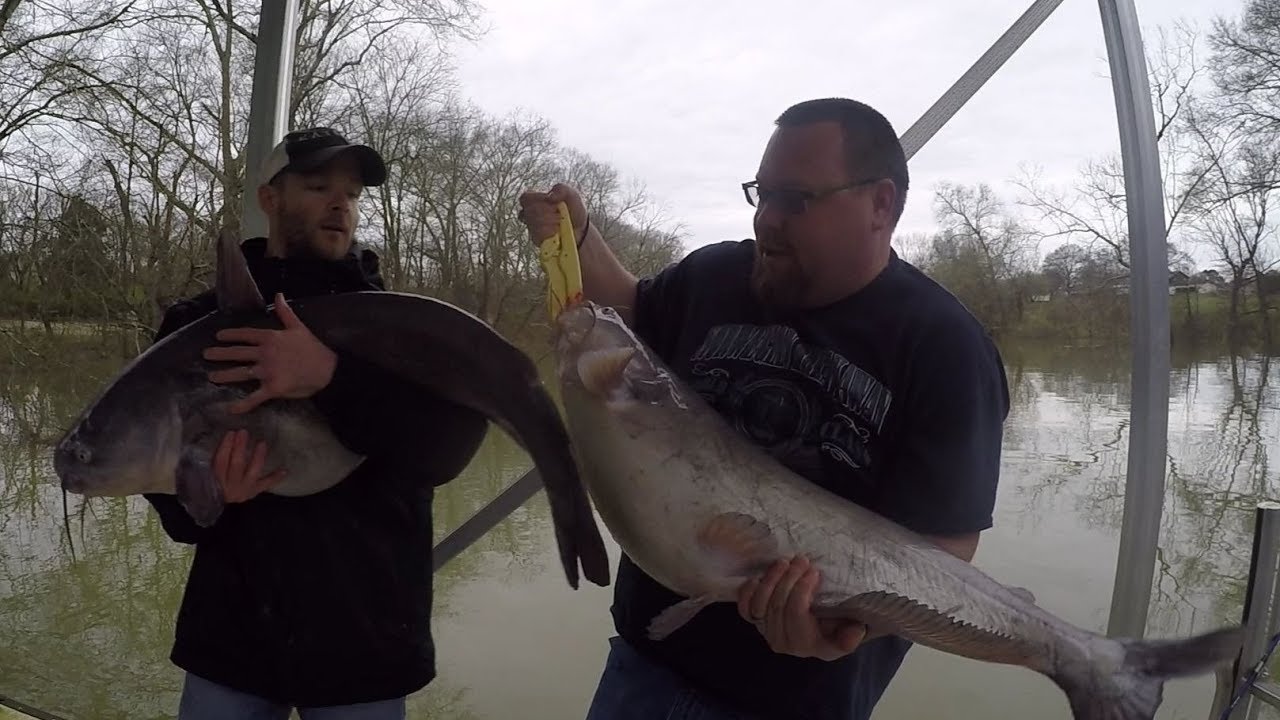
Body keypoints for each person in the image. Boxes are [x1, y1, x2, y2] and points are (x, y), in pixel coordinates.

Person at [518, 97, 1010, 720]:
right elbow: (628, 320)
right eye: (762, 193)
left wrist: (846, 628)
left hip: (795, 702)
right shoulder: (715, 274)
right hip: (642, 671)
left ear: (881, 204)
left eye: (794, 200)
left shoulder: (946, 347)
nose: (766, 219)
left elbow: (945, 551)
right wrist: (580, 237)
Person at [143, 127, 490, 719]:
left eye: (351, 193)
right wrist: (201, 497)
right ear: (269, 199)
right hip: (231, 640)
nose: (340, 204)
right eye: (318, 186)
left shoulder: (399, 328)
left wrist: (330, 375)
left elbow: (446, 450)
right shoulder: (199, 324)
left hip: (367, 644)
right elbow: (147, 456)